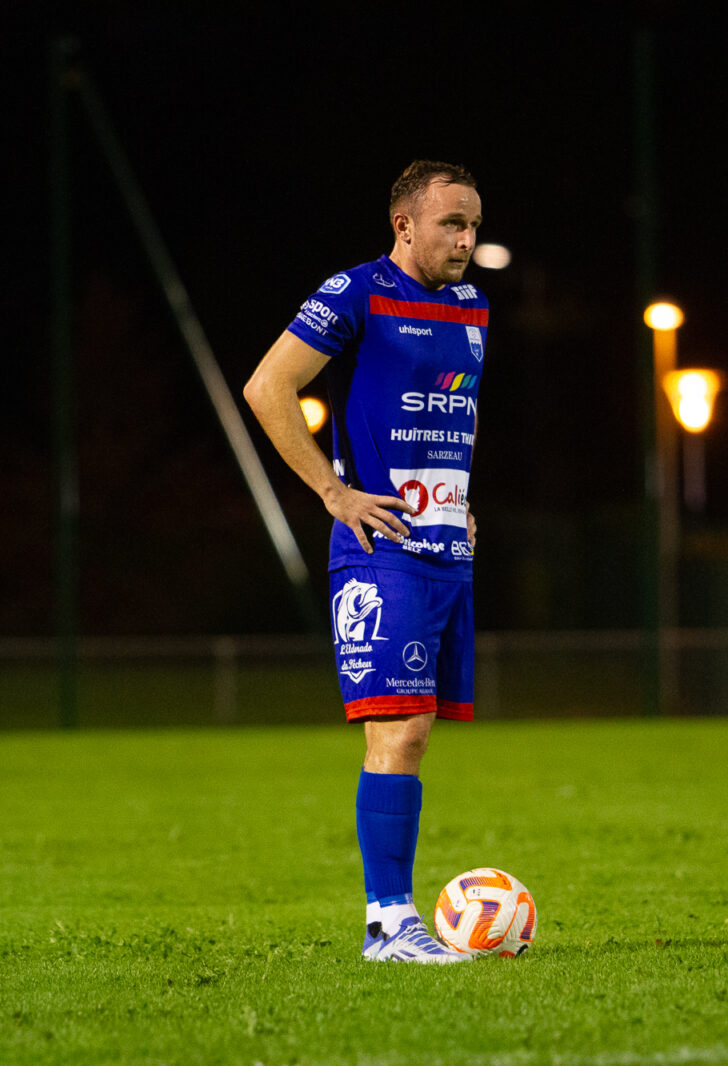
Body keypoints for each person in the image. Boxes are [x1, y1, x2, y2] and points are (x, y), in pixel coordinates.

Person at [244, 160, 487, 963]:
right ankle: (387, 923)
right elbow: (268, 387)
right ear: (404, 224)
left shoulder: (472, 307)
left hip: (446, 548)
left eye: (473, 226)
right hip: (381, 549)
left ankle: (395, 920)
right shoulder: (356, 292)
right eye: (451, 224)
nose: (466, 240)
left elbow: (442, 416)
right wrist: (333, 492)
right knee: (399, 730)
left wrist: (456, 500)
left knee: (417, 732)